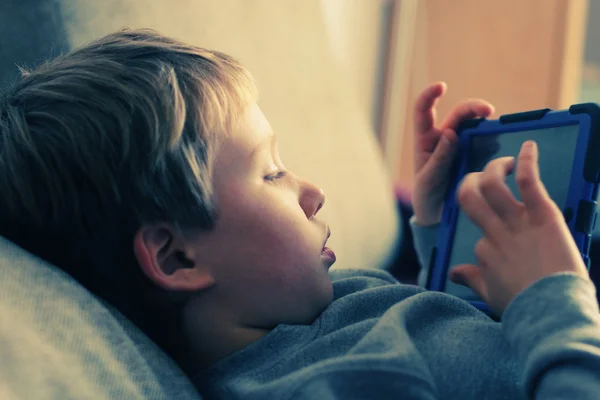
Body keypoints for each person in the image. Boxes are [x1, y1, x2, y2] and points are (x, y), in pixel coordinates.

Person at [0, 29, 598, 399]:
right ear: (178, 256)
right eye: (271, 172)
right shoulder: (326, 386)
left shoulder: (316, 302)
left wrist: (440, 231)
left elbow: (450, 334)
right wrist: (552, 294)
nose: (312, 191)